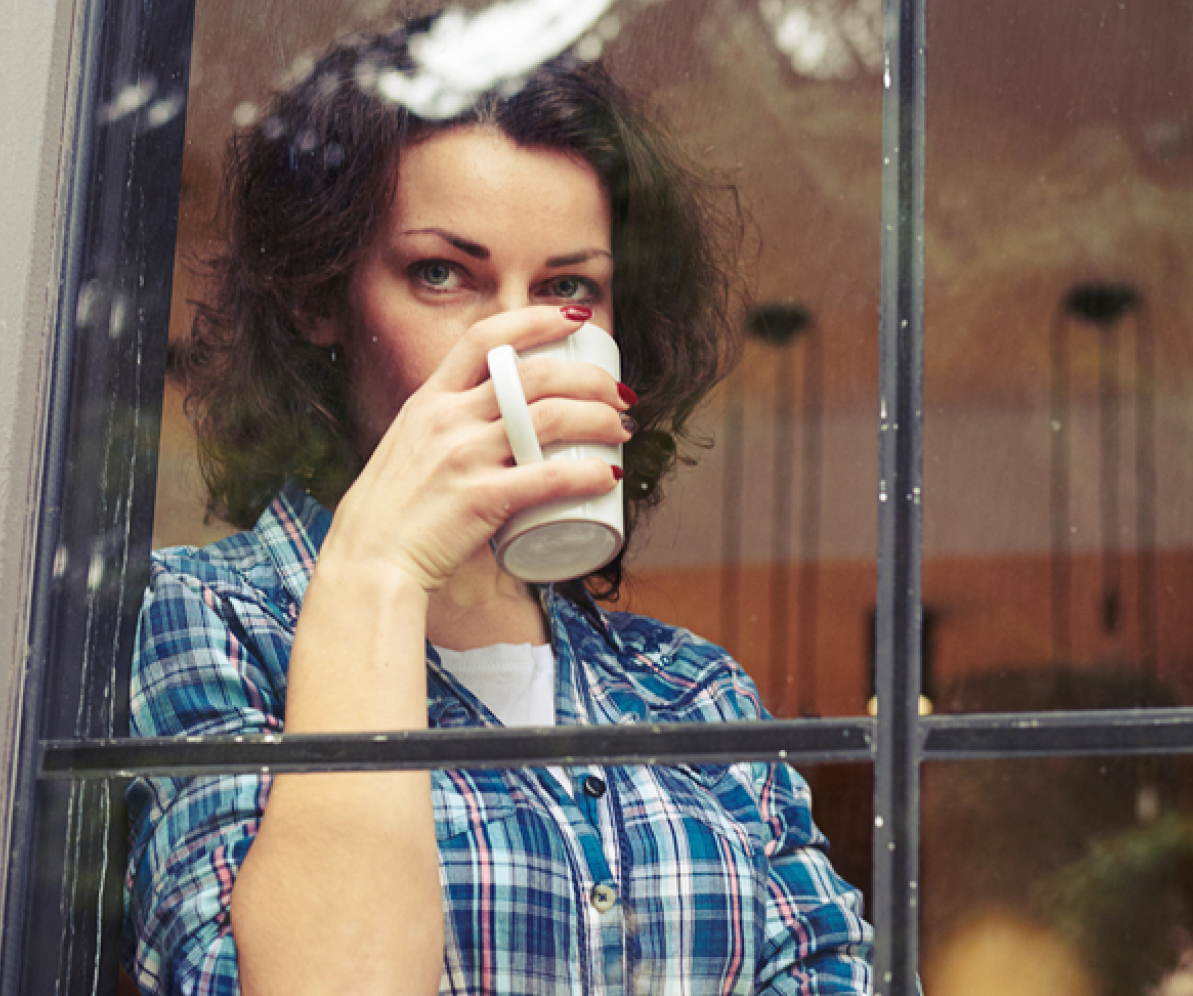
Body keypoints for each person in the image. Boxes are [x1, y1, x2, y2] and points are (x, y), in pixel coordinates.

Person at [126, 12, 874, 995]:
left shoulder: (693, 697)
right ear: (320, 298)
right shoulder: (203, 628)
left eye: (567, 289)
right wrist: (383, 566)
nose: (514, 342)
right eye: (442, 274)